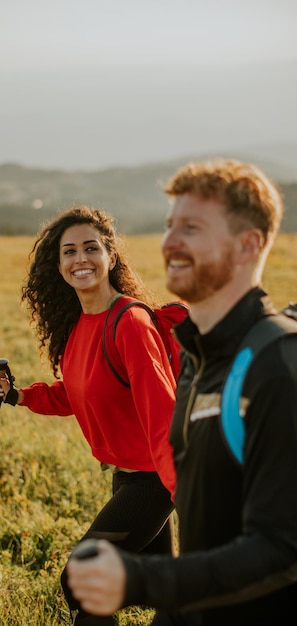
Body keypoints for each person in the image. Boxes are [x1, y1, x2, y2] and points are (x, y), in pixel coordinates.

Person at [66, 160, 297, 625]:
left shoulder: (277, 365)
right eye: (170, 225)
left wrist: (139, 581)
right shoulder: (195, 358)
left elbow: (282, 549)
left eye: (191, 228)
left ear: (249, 245)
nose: (170, 241)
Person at [0, 205, 178, 625]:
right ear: (58, 266)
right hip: (127, 475)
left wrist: (187, 492)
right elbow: (76, 395)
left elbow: (164, 414)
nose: (81, 259)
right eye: (69, 252)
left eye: (91, 248)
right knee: (164, 592)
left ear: (111, 256)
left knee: (81, 580)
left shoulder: (130, 322)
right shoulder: (79, 327)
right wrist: (18, 395)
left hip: (155, 479)